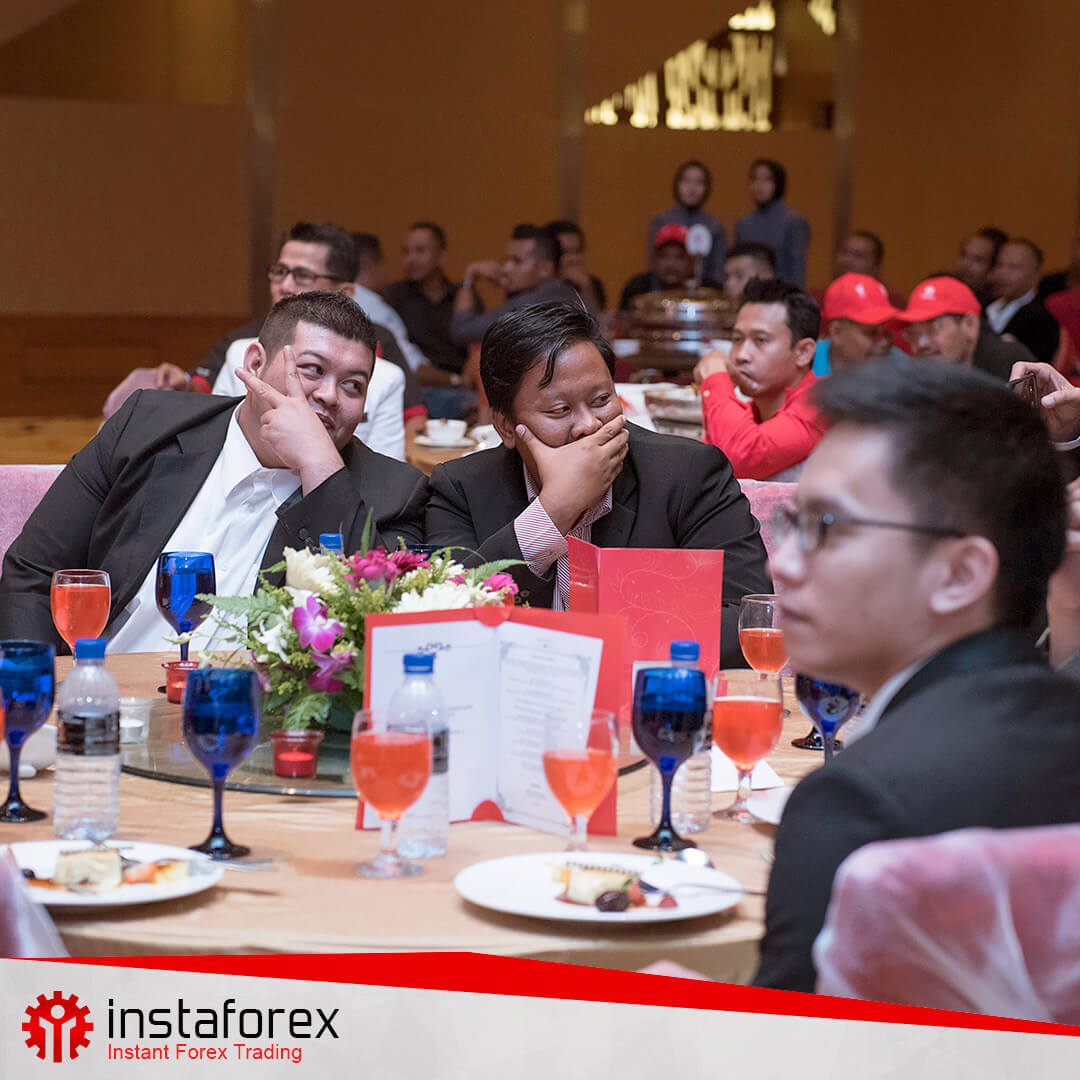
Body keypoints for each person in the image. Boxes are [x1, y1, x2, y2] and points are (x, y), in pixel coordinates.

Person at [754, 355, 1079, 993]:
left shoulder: (857, 804)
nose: (780, 565)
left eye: (826, 527)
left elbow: (789, 1040)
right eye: (791, 523)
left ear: (960, 574)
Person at [0, 292, 428, 653]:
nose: (330, 396)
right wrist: (42, 691)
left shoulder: (394, 494)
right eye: (312, 370)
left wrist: (320, 466)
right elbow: (34, 572)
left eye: (353, 385)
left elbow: (364, 635)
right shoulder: (147, 426)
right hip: (104, 692)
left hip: (254, 716)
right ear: (255, 364)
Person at [425, 301, 772, 665]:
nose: (590, 425)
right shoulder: (461, 488)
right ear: (506, 426)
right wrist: (553, 512)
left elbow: (750, 620)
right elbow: (446, 623)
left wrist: (610, 651)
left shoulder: (688, 474)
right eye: (560, 410)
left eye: (602, 399)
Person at [119, 222, 414, 455]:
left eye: (302, 275)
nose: (285, 285)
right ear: (255, 362)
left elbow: (390, 466)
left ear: (345, 292)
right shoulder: (241, 347)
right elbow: (217, 442)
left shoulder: (381, 356)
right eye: (280, 271)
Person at [693, 278, 826, 481]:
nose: (741, 355)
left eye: (760, 340)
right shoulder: (752, 412)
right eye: (738, 339)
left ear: (803, 352)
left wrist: (715, 377)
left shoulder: (820, 407)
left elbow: (737, 458)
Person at [384, 222, 477, 419]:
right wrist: (455, 381)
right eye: (406, 252)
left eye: (420, 250)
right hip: (418, 386)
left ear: (441, 256)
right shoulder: (394, 297)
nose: (411, 258)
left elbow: (477, 344)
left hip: (465, 386)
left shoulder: (460, 296)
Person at [449, 224, 578, 347]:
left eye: (517, 261)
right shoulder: (564, 293)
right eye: (507, 260)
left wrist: (469, 276)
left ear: (545, 269)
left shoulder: (533, 304)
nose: (506, 268)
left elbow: (462, 330)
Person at [896, 276, 1034, 380]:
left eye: (933, 329)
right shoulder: (928, 374)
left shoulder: (1009, 364)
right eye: (913, 333)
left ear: (970, 324)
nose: (921, 344)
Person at [645, 160, 728, 283]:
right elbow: (652, 264)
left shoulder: (714, 225)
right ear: (677, 184)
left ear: (707, 188)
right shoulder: (661, 221)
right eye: (686, 181)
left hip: (704, 289)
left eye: (699, 182)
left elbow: (718, 271)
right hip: (666, 288)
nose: (691, 188)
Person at [734, 159, 811, 287]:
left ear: (778, 183)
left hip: (781, 292)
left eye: (766, 179)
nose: (759, 185)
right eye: (754, 179)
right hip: (748, 292)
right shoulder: (743, 224)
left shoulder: (793, 222)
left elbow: (797, 270)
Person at [812, 273, 906, 377]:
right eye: (871, 332)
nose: (884, 342)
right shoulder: (806, 364)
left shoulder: (902, 368)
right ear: (836, 332)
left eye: (887, 332)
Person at [986, 238, 1060, 363]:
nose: (1003, 273)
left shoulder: (1042, 320)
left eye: (1013, 267)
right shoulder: (984, 306)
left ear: (1036, 275)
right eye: (999, 265)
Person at [619, 225, 723, 310]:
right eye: (664, 256)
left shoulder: (710, 290)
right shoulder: (637, 288)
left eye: (679, 257)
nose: (671, 264)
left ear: (691, 261)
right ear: (654, 259)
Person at [545, 220, 607, 312]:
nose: (574, 259)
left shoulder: (592, 284)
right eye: (565, 252)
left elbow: (596, 319)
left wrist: (586, 288)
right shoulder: (534, 285)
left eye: (577, 251)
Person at [953, 226, 1008, 306]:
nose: (965, 264)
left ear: (994, 268)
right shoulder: (942, 289)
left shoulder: (994, 309)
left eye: (977, 260)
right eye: (963, 255)